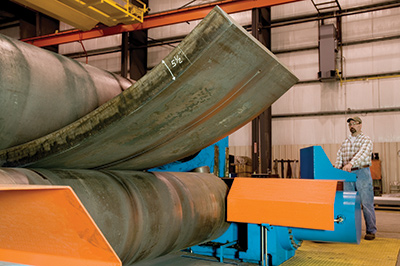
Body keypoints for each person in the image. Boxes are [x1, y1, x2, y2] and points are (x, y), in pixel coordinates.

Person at [335, 116, 377, 240]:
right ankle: (350, 230)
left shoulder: (366, 140)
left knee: (366, 202)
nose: (352, 126)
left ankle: (371, 230)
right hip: (348, 174)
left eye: (354, 123)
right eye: (350, 124)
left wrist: (350, 164)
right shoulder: (346, 142)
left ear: (360, 125)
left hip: (362, 172)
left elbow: (363, 153)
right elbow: (340, 156)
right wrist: (337, 171)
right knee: (349, 203)